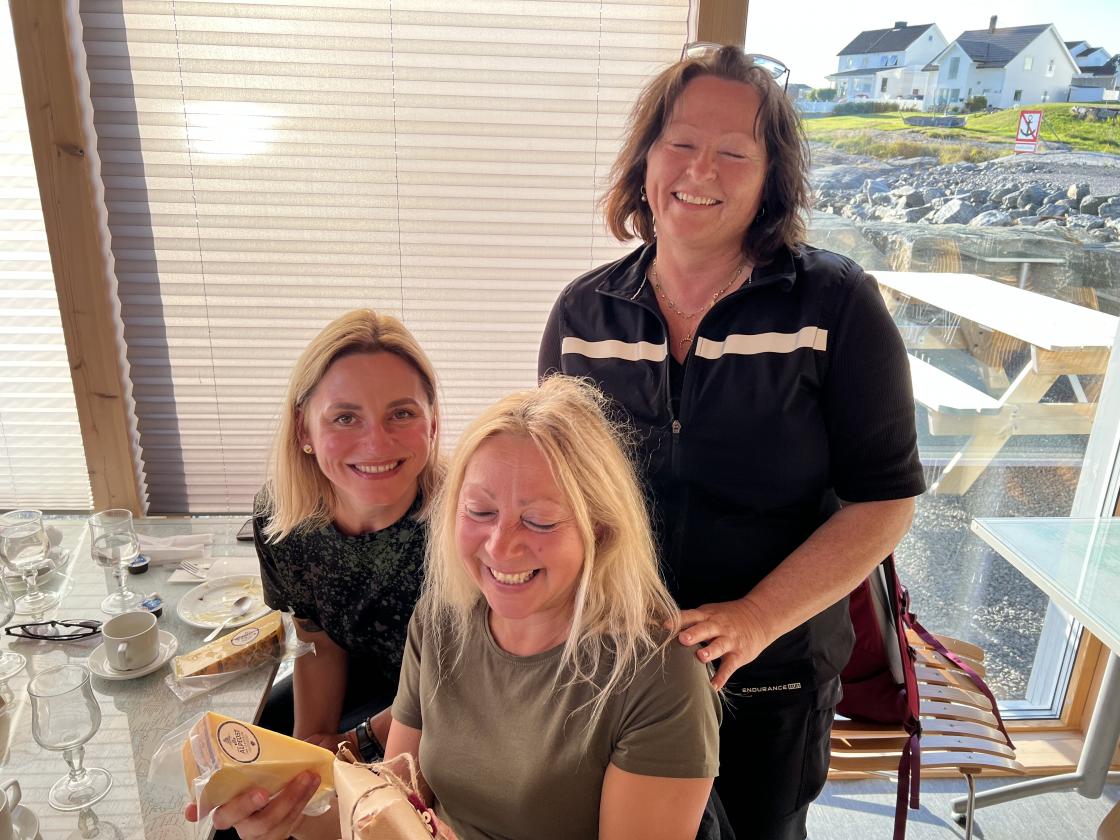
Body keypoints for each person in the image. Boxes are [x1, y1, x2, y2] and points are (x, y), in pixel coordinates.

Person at [538, 45, 925, 840]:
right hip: (619, 665)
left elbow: (884, 502)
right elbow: (553, 488)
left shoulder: (835, 305)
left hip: (774, 676)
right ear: (646, 160)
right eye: (679, 142)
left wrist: (754, 618)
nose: (699, 170)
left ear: (770, 178)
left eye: (733, 152)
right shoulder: (583, 315)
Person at [195, 376, 722, 840]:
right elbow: (394, 807)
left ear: (600, 531)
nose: (500, 547)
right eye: (480, 511)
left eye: (539, 520)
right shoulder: (441, 621)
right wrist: (285, 816)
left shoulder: (659, 677)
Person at [253, 308, 441, 756]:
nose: (376, 443)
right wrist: (311, 748)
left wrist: (356, 742)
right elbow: (317, 638)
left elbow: (470, 676)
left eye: (401, 413)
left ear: (432, 423)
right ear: (303, 427)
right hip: (370, 678)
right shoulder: (282, 520)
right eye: (344, 418)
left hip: (452, 705)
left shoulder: (470, 522)